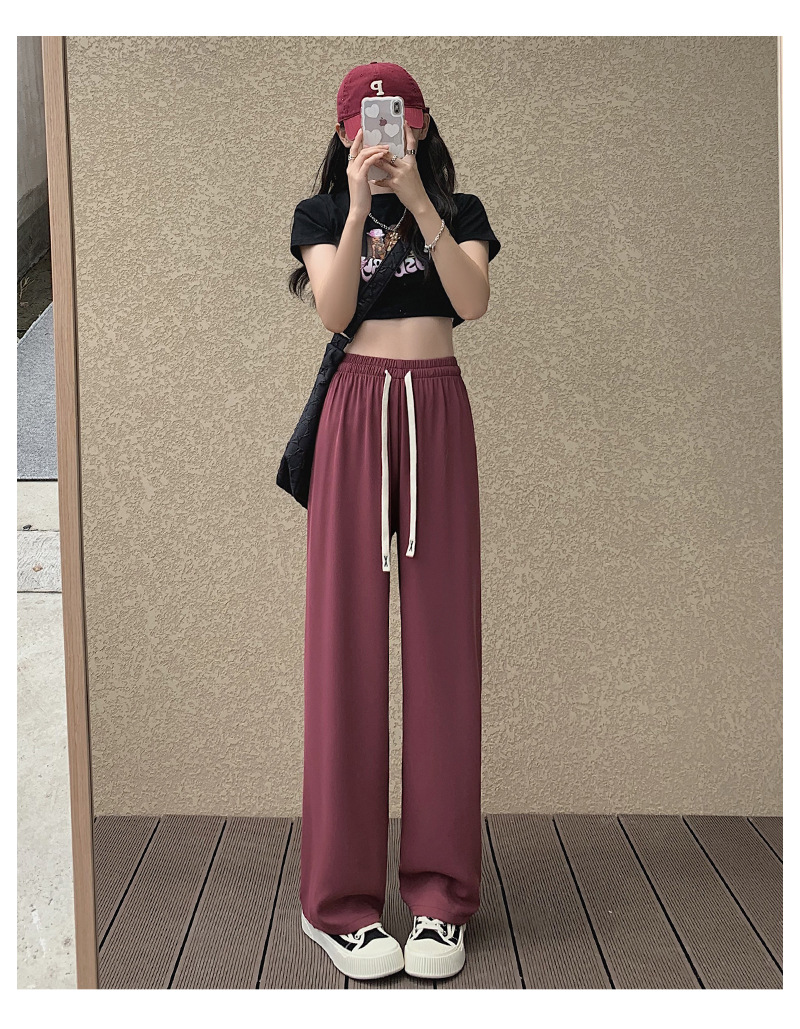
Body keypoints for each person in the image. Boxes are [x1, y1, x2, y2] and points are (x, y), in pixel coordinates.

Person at [288, 61, 501, 981]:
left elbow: (472, 301)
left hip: (438, 409)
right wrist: (353, 208)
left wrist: (418, 200)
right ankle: (337, 906)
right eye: (370, 123)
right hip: (356, 414)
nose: (385, 135)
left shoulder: (461, 210)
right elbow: (333, 308)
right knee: (345, 647)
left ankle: (441, 899)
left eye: (401, 120)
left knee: (446, 651)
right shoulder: (317, 215)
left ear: (421, 125)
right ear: (347, 132)